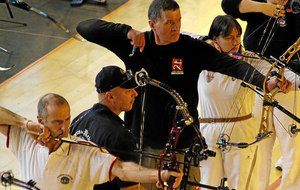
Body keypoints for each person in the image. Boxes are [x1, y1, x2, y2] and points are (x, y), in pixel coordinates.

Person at [76, 0, 290, 188]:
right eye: (169, 22)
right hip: (147, 143)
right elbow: (84, 27)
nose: (176, 27)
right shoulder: (137, 44)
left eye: (178, 20)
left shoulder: (190, 48)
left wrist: (263, 81)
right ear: (152, 24)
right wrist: (125, 31)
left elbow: (229, 64)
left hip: (183, 142)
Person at [0, 93, 182, 190]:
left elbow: (123, 170)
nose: (65, 128)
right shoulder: (26, 138)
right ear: (41, 121)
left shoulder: (84, 151)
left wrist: (161, 175)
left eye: (67, 120)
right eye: (57, 122)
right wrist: (24, 123)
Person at [222, 0, 300, 189]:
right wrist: (263, 8)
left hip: (287, 83)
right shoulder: (257, 6)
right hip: (258, 82)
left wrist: (290, 73)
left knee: (291, 144)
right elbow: (228, 4)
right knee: (258, 143)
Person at [187, 15, 265, 189]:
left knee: (243, 185)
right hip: (208, 134)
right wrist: (204, 41)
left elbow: (273, 70)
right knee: (208, 185)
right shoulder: (201, 56)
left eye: (238, 36)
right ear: (215, 39)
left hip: (241, 131)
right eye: (229, 37)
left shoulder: (249, 59)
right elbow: (181, 36)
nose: (236, 42)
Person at [70, 65, 140, 189]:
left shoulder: (78, 119)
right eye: (128, 91)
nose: (135, 93)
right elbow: (131, 188)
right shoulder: (121, 137)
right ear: (110, 96)